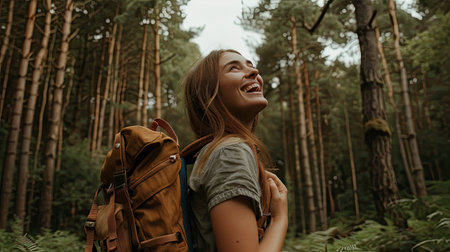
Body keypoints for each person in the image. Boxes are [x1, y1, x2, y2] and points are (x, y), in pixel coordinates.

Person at [183, 49, 288, 251]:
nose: (254, 71)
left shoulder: (219, 151)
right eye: (233, 68)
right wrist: (279, 219)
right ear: (209, 95)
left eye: (250, 65)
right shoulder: (230, 152)